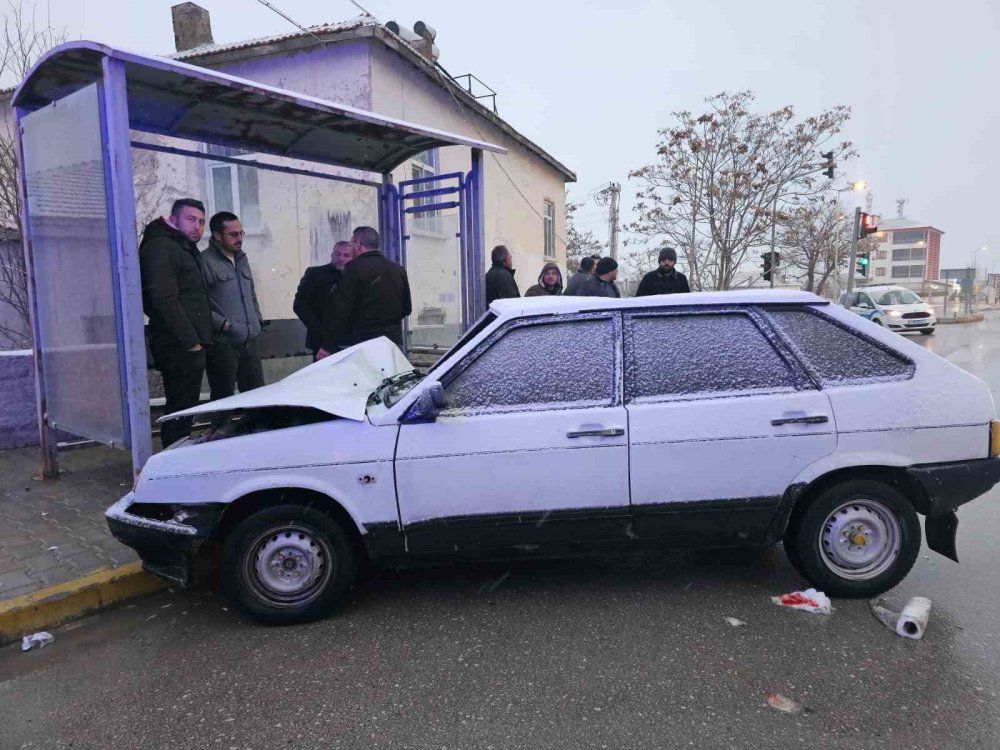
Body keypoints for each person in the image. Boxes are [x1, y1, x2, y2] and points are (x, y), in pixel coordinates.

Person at [139, 198, 212, 447]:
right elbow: (163, 299)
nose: (197, 227)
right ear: (173, 219)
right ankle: (173, 457)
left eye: (201, 222)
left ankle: (179, 453)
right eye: (190, 219)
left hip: (186, 344)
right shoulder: (161, 246)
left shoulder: (180, 247)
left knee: (185, 406)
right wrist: (191, 343)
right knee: (180, 406)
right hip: (179, 345)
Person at [200, 211, 265, 401]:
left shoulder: (241, 259)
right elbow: (197, 303)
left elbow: (251, 293)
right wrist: (222, 324)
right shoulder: (205, 261)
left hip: (250, 340)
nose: (239, 238)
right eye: (233, 234)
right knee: (223, 399)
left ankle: (255, 431)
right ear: (217, 235)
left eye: (241, 233)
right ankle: (220, 430)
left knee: (257, 397)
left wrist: (257, 318)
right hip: (223, 344)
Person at [319, 226, 411, 356]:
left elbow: (342, 310)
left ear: (357, 244)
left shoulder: (354, 268)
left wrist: (327, 345)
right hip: (393, 341)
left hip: (364, 341)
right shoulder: (398, 269)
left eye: (352, 242)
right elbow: (407, 308)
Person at [293, 240, 354, 359]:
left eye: (346, 255)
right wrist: (320, 331)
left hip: (351, 342)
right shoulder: (315, 274)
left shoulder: (357, 277)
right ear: (332, 255)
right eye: (338, 254)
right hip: (321, 342)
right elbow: (300, 305)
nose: (341, 258)